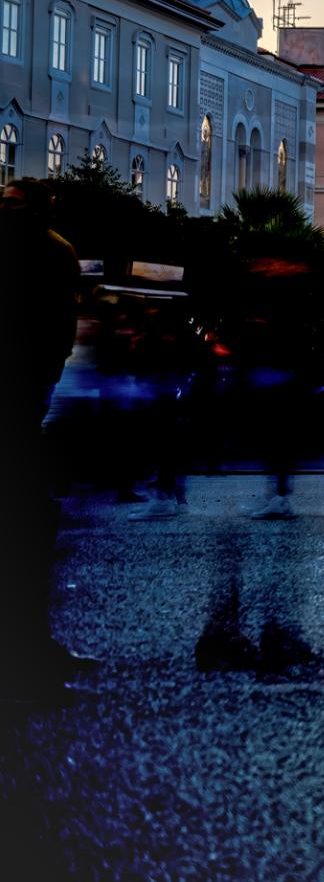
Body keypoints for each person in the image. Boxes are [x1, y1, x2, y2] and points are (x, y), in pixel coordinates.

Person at [0, 180, 93, 700]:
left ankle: (30, 649)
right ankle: (28, 653)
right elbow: (61, 328)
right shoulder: (55, 250)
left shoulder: (50, 251)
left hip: (24, 393)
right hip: (24, 394)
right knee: (29, 525)